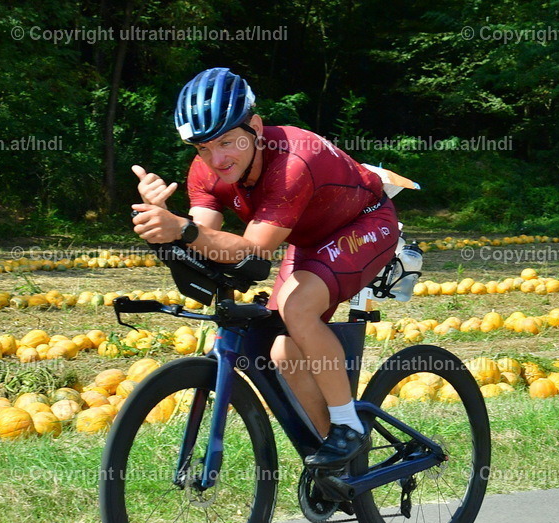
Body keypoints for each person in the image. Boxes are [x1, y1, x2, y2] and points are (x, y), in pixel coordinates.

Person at [130, 67, 399, 469]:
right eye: (203, 147)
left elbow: (254, 253)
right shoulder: (204, 171)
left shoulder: (292, 162)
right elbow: (207, 243)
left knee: (297, 308)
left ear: (254, 126)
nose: (216, 159)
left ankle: (349, 426)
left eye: (226, 142)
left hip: (364, 223)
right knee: (282, 350)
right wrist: (165, 220)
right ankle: (338, 460)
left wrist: (181, 231)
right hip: (307, 238)